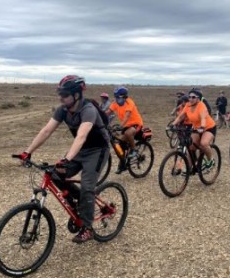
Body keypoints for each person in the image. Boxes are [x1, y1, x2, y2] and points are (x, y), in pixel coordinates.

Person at [16, 75, 110, 243]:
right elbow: (46, 131)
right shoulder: (63, 110)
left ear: (76, 95)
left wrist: (66, 159)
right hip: (81, 150)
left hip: (98, 150)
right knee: (54, 173)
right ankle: (80, 204)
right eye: (60, 94)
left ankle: (87, 228)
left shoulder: (88, 109)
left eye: (65, 95)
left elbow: (81, 136)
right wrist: (27, 152)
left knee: (88, 186)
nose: (61, 98)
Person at [172, 88, 217, 170]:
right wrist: (173, 124)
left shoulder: (201, 105)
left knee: (204, 144)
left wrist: (202, 126)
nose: (191, 99)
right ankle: (190, 168)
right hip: (196, 128)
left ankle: (211, 160)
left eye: (193, 97)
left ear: (198, 98)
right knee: (191, 147)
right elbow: (181, 116)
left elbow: (203, 117)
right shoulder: (187, 105)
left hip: (208, 127)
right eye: (189, 97)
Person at [106, 86, 144, 173]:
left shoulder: (129, 102)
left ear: (124, 97)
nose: (116, 99)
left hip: (136, 124)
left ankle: (134, 149)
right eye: (115, 97)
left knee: (128, 133)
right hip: (126, 126)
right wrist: (98, 118)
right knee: (120, 143)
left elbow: (127, 116)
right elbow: (108, 112)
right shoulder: (115, 103)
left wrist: (120, 126)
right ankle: (123, 163)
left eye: (118, 97)